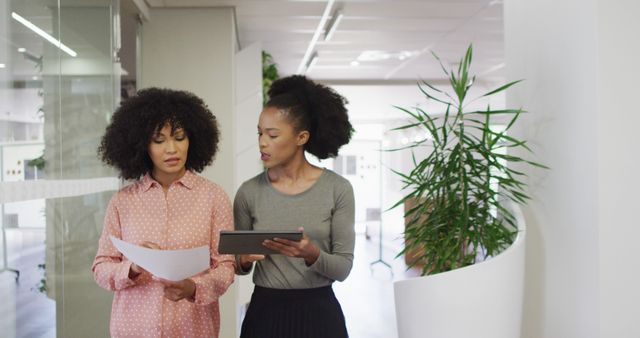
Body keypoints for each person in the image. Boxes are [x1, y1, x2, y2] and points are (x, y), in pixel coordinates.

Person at [92, 88, 234, 338]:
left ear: (193, 139)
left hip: (193, 328)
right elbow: (101, 267)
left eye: (179, 137)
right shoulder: (123, 201)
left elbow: (225, 267)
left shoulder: (213, 197)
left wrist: (193, 287)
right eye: (159, 140)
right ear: (142, 145)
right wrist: (133, 267)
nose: (172, 149)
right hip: (133, 329)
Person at [234, 75, 355, 338]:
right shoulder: (248, 192)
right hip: (265, 313)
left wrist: (313, 254)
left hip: (319, 314)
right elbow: (236, 263)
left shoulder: (338, 189)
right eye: (260, 133)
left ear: (301, 137)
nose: (262, 142)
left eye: (273, 134)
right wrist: (241, 261)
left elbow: (343, 268)